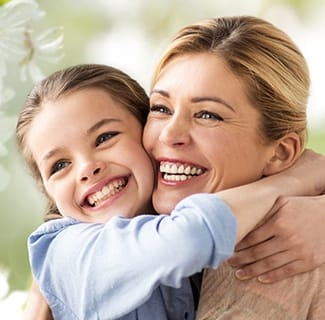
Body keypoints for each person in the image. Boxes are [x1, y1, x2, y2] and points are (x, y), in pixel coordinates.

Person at [18, 63, 322, 320]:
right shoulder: (65, 252)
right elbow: (189, 238)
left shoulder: (196, 225)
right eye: (59, 166)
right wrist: (292, 181)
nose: (87, 168)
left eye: (105, 137)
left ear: (148, 134)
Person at [143, 15, 325, 318]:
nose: (170, 135)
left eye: (208, 115)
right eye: (161, 108)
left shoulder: (272, 254)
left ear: (280, 152)